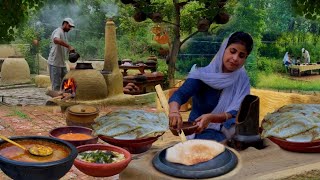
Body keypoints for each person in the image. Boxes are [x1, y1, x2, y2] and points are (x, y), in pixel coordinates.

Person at [168, 31, 253, 143]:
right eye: (232, 51)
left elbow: (240, 111)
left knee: (248, 138)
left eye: (241, 55)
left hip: (228, 128)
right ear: (223, 50)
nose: (235, 58)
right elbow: (180, 94)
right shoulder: (204, 75)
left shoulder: (242, 78)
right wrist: (174, 112)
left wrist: (213, 118)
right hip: (200, 130)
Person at [48, 18, 75, 91]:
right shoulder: (58, 31)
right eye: (69, 26)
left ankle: (64, 99)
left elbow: (63, 47)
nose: (70, 28)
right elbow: (56, 40)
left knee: (67, 83)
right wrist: (68, 46)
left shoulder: (65, 34)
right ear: (65, 24)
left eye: (71, 27)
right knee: (56, 86)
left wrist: (70, 51)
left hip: (62, 64)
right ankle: (55, 101)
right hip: (55, 63)